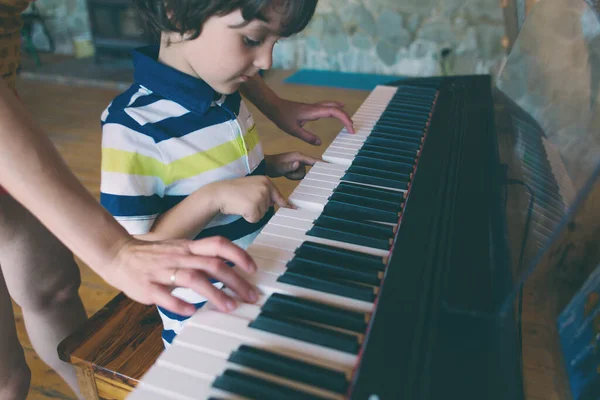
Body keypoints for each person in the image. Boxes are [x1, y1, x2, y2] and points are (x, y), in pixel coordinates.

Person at [100, 0, 355, 346]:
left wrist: (270, 167)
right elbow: (135, 251)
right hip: (208, 325)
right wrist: (215, 198)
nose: (267, 62)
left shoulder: (224, 93)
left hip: (266, 279)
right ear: (176, 11)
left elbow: (210, 172)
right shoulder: (132, 127)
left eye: (274, 43)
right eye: (252, 40)